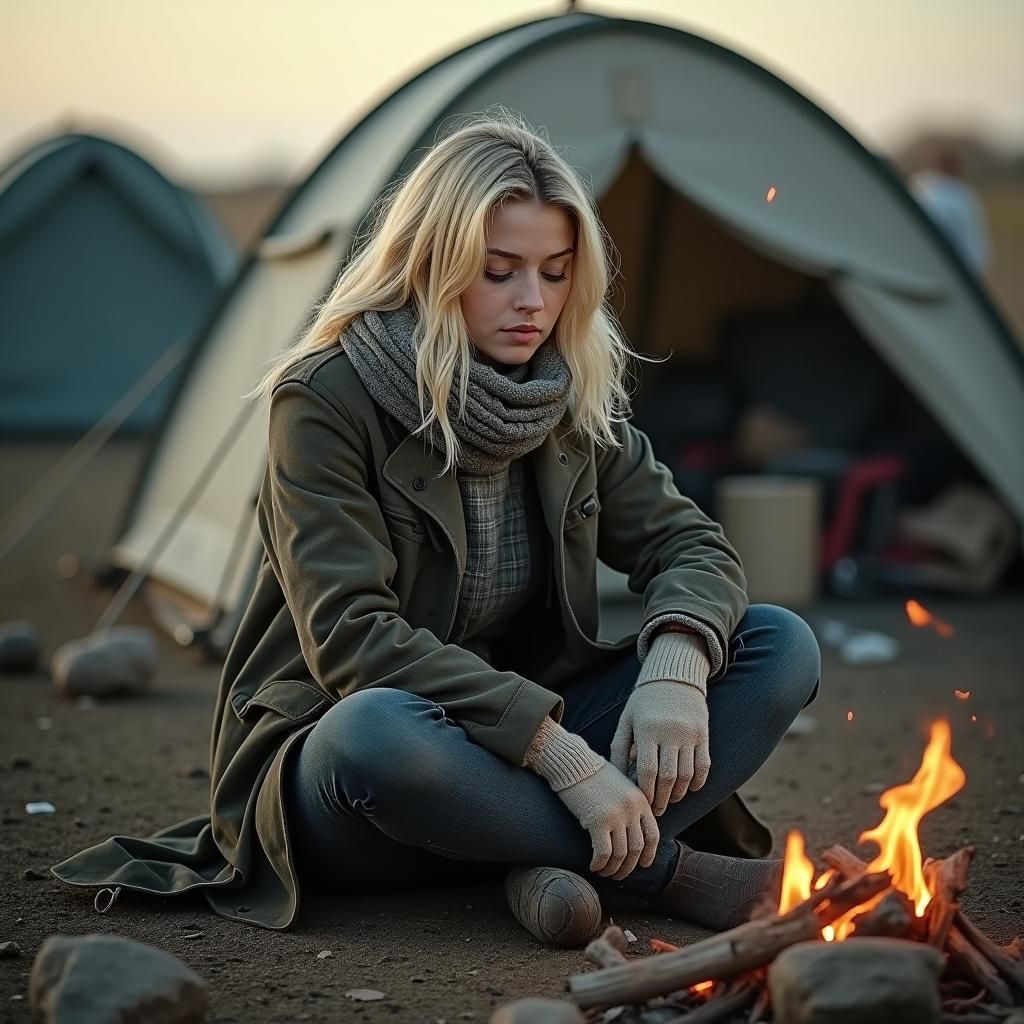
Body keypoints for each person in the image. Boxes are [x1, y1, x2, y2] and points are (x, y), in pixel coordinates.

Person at [53, 114, 821, 947]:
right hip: (374, 767)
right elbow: (352, 637)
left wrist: (675, 663)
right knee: (373, 732)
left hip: (517, 754)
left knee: (777, 645)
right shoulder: (324, 400)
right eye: (500, 272)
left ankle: (531, 857)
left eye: (556, 273)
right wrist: (565, 760)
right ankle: (664, 871)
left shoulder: (567, 390)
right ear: (433, 262)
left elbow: (692, 547)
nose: (534, 302)